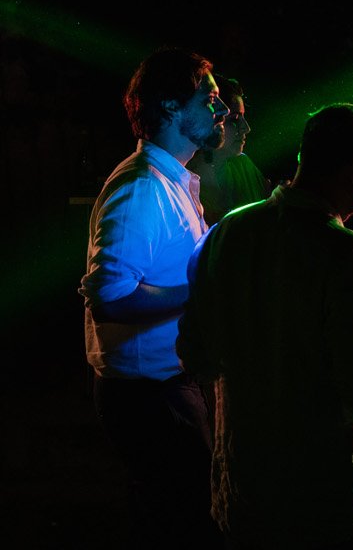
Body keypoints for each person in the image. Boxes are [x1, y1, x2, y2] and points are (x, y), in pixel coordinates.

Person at [179, 103, 353, 549]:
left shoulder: (227, 233)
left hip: (245, 491)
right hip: (322, 499)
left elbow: (193, 349)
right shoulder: (343, 250)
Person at [80, 47, 229, 548]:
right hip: (150, 398)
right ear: (168, 107)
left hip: (163, 389)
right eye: (209, 98)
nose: (222, 108)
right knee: (183, 526)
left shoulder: (171, 181)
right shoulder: (142, 188)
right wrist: (202, 292)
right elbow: (109, 297)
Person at [186, 75, 272, 227]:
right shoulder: (183, 180)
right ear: (212, 117)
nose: (246, 128)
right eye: (234, 119)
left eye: (243, 117)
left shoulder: (244, 166)